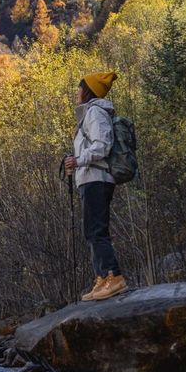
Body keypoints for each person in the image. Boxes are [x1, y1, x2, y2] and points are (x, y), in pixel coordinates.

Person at [64, 71, 127, 301]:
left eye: (79, 88)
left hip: (97, 179)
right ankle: (102, 278)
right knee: (91, 231)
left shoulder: (95, 113)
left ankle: (114, 277)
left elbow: (102, 146)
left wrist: (78, 160)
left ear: (88, 91)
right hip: (91, 179)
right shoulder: (90, 114)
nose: (76, 92)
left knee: (97, 231)